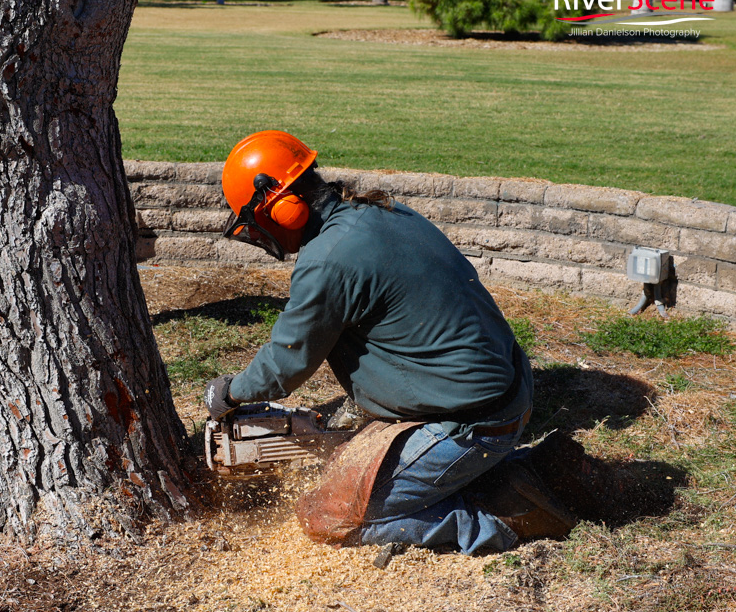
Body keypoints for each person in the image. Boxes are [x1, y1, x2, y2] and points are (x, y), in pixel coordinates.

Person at [203, 130, 575, 554]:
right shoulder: (383, 211)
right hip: (509, 390)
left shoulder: (328, 259)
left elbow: (288, 359)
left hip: (472, 424)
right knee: (348, 459)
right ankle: (513, 473)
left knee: (330, 518)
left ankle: (499, 519)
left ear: (284, 209)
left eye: (258, 223)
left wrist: (229, 392)